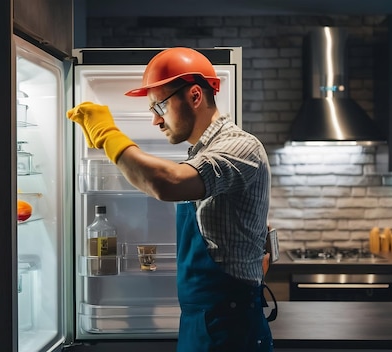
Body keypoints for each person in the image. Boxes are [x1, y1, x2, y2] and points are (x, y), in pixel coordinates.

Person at [67, 47, 274, 351]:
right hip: (201, 322)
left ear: (194, 96)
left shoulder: (241, 147)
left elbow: (166, 183)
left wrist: (109, 135)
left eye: (159, 107)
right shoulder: (201, 155)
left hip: (231, 327)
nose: (155, 120)